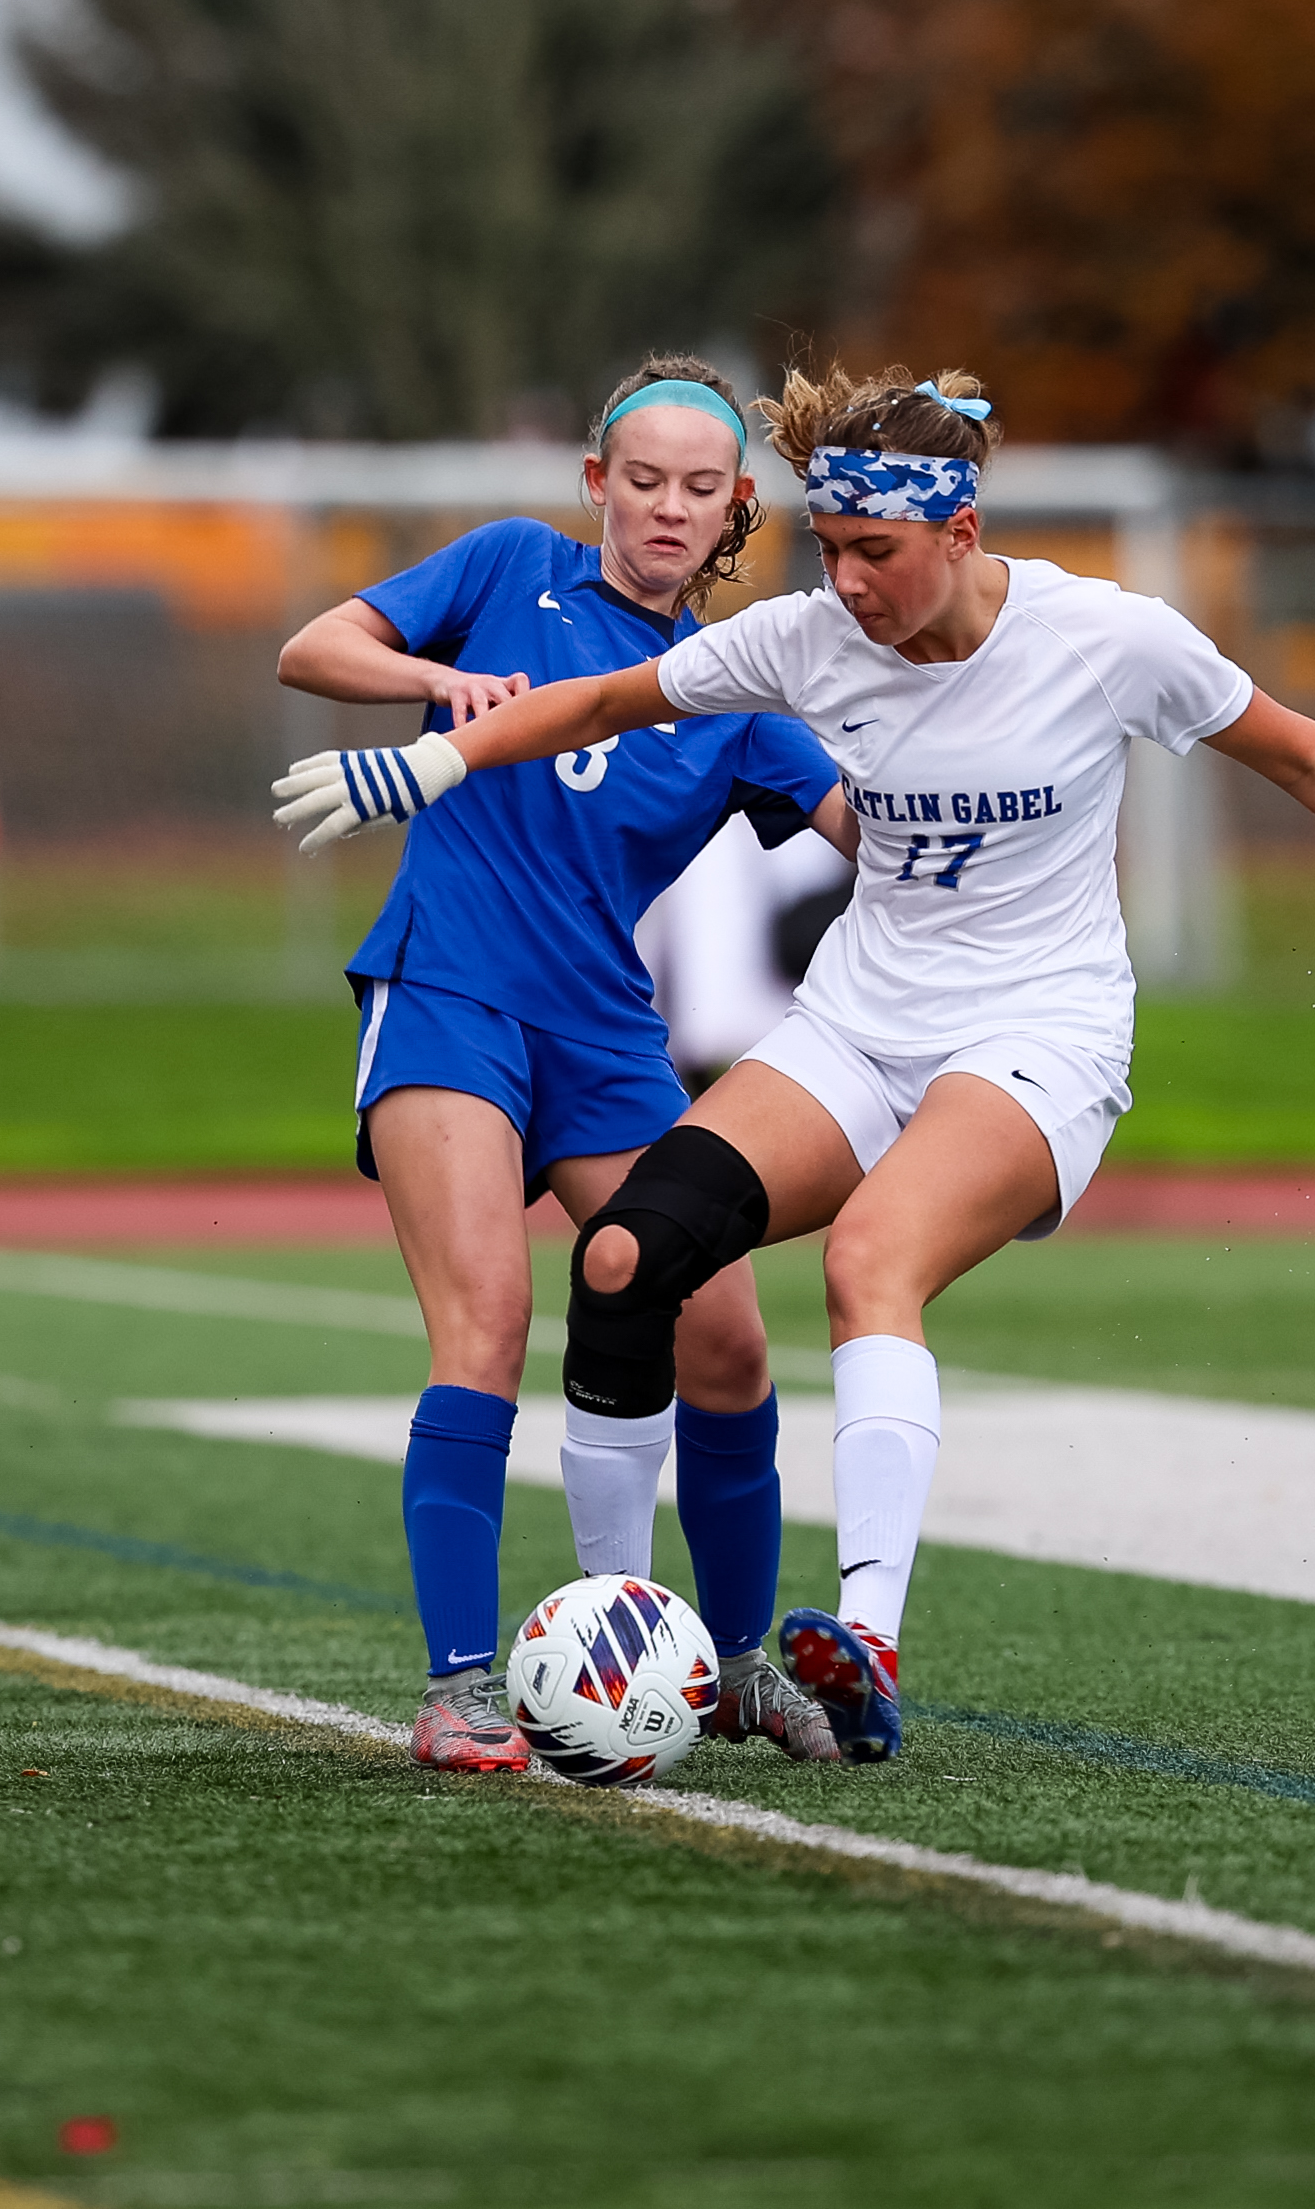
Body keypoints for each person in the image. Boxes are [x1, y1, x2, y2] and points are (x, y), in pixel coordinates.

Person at [275, 361, 1315, 1766]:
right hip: (823, 1026)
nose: (844, 582)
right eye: (827, 548)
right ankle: (619, 1637)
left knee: (865, 1264)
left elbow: (1307, 755)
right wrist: (432, 761)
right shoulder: (786, 638)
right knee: (620, 1267)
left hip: (1035, 1036)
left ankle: (861, 1650)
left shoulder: (1109, 637)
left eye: (873, 553)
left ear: (959, 537)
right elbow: (600, 704)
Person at [275, 355, 855, 1773]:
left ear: (733, 517)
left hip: (606, 1034)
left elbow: (881, 839)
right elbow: (312, 650)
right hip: (450, 994)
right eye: (640, 479)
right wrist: (437, 682)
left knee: (723, 1335)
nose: (664, 507)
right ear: (598, 484)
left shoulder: (733, 694)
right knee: (485, 1320)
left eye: (697, 489)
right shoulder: (507, 568)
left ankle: (729, 1665)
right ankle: (462, 1688)